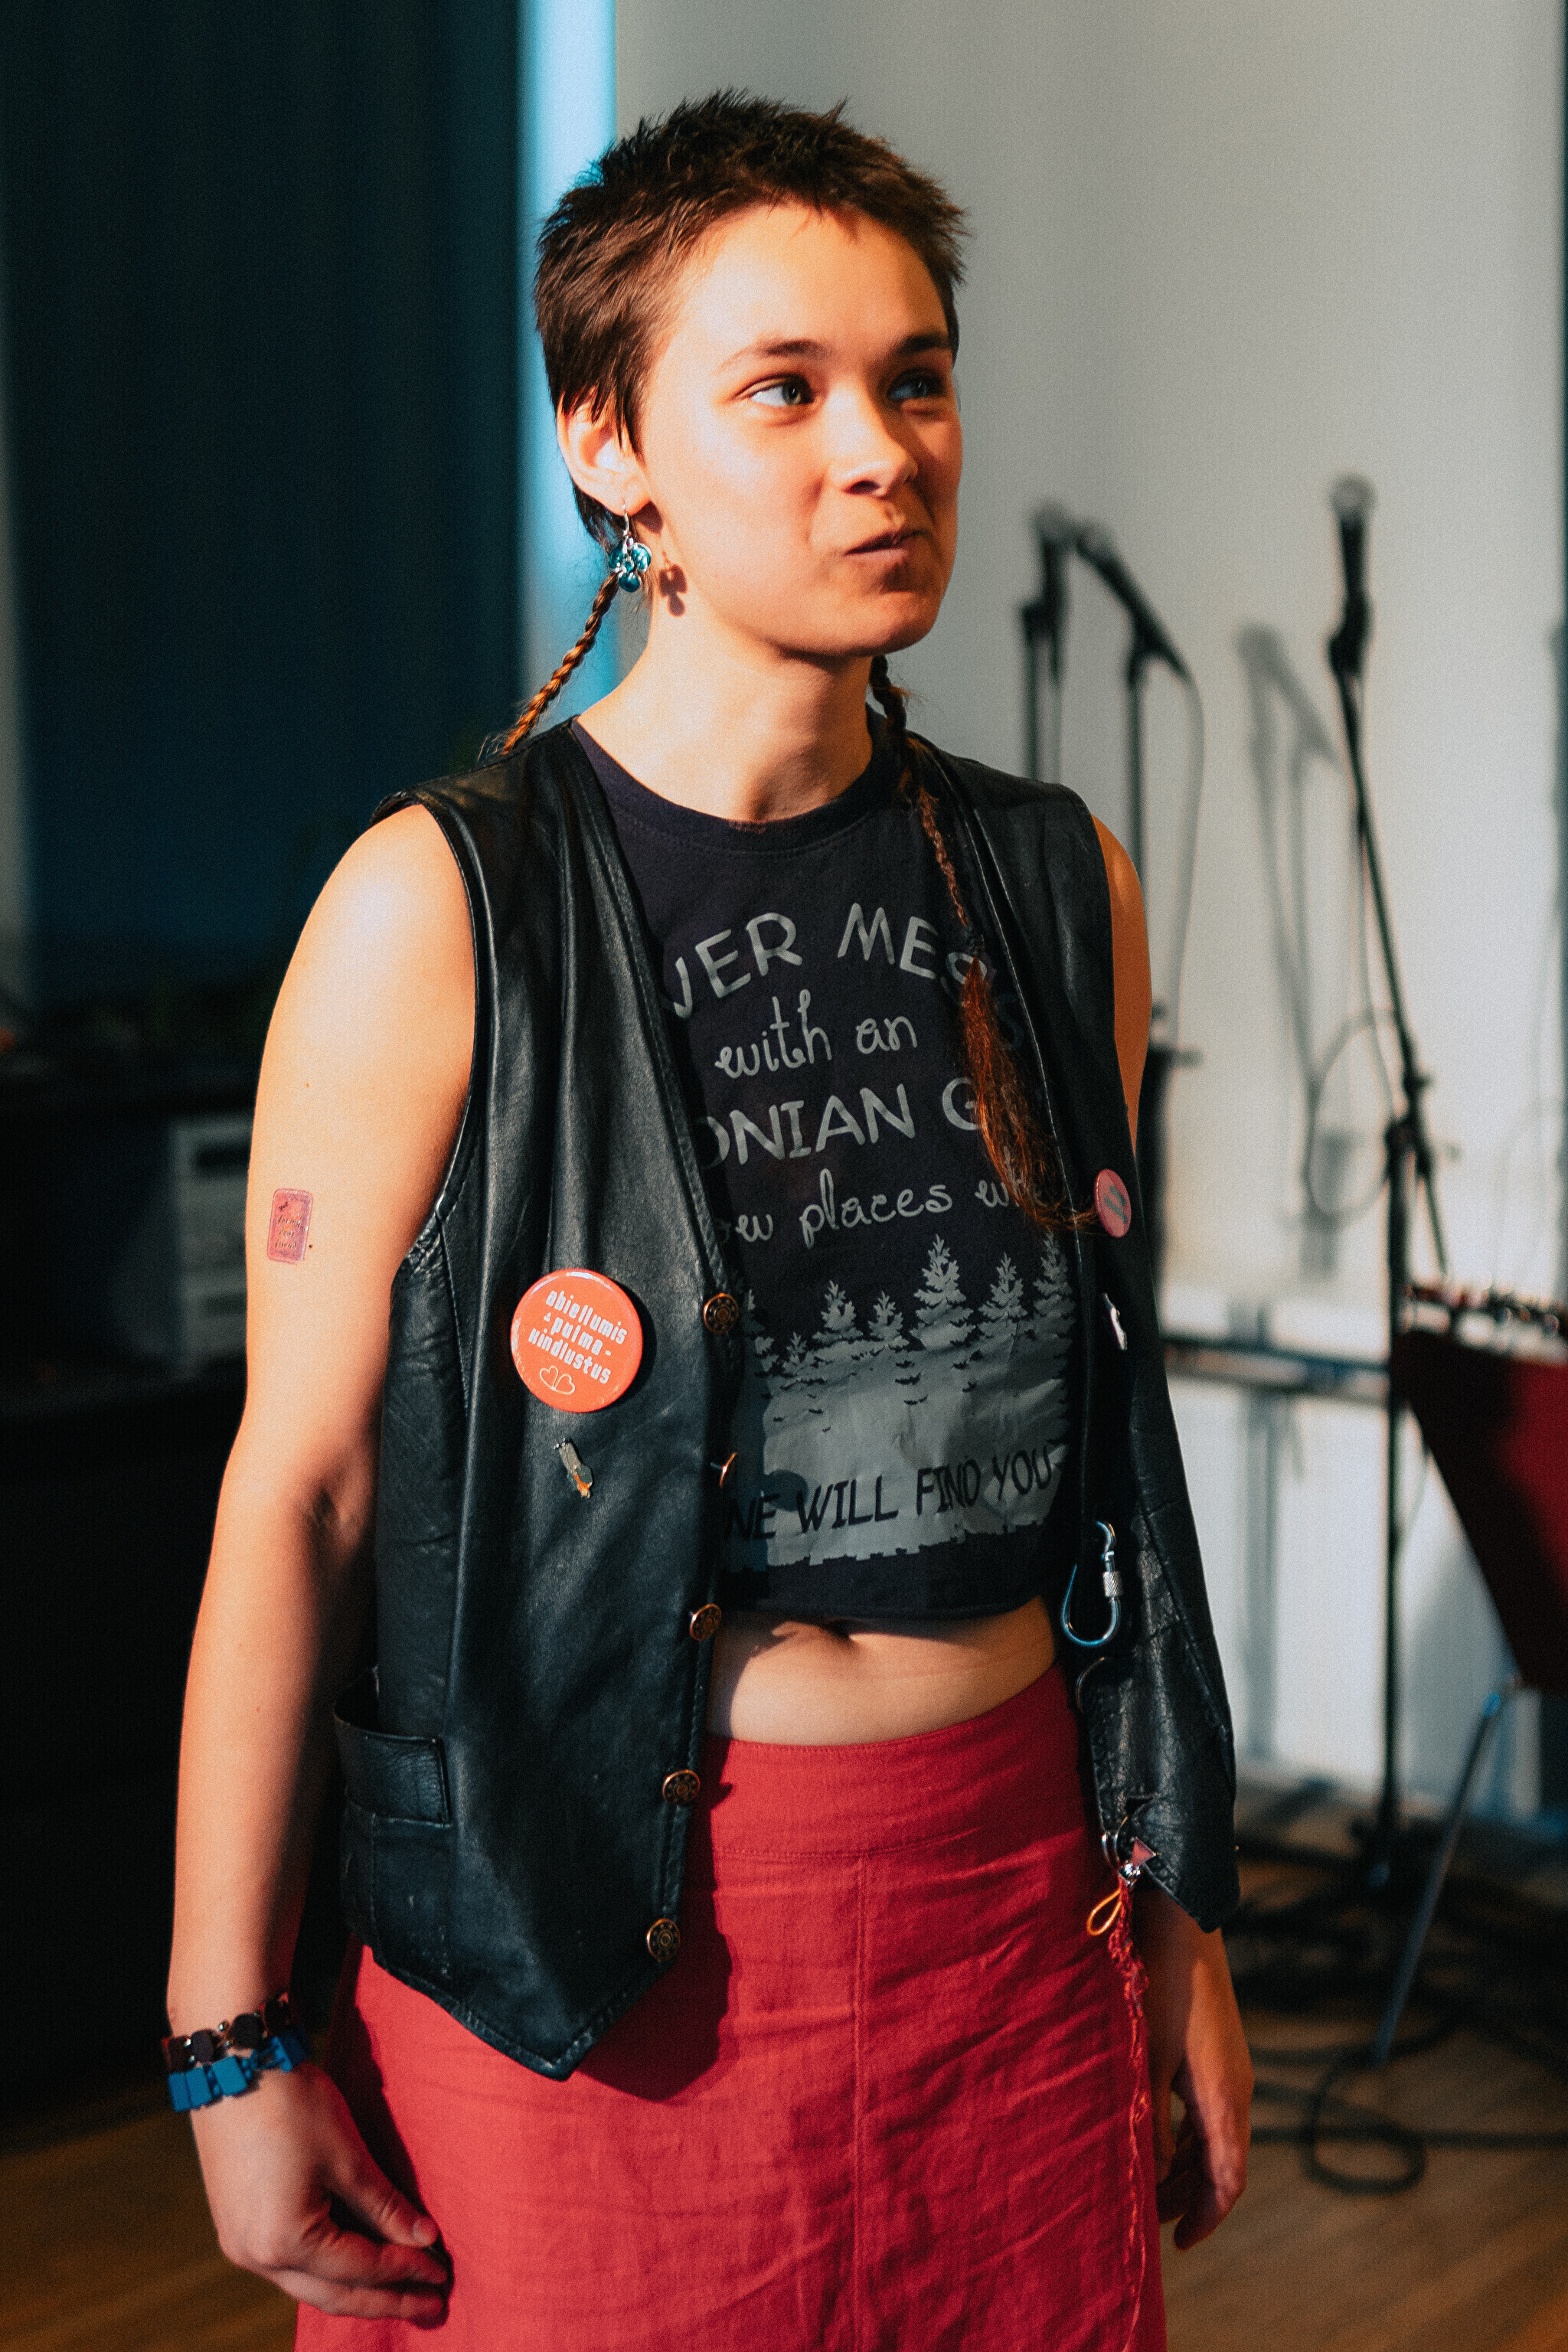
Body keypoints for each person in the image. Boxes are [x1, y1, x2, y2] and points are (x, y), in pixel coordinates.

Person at [168, 92, 1251, 2351]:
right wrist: (226, 2037)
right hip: (594, 1936)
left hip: (1011, 1912)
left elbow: (1112, 1463)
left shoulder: (1059, 886)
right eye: (786, 389)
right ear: (612, 446)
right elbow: (306, 1488)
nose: (882, 452)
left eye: (917, 379)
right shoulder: (441, 907)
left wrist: (1179, 1909)